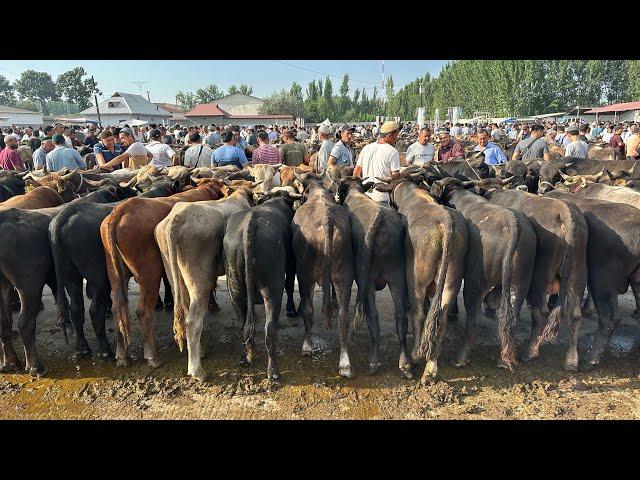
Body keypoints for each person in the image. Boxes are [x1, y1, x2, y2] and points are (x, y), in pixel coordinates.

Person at [353, 121, 401, 207]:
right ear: (389, 135)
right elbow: (395, 177)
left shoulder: (366, 148)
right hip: (382, 197)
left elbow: (356, 173)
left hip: (366, 195)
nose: (396, 139)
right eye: (396, 136)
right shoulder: (393, 152)